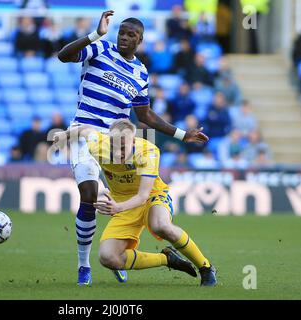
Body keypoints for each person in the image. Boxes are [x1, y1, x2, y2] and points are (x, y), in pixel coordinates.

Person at [57, 10, 209, 286]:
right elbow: (63, 56)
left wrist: (182, 134)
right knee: (90, 193)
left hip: (118, 140)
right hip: (86, 133)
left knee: (129, 192)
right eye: (122, 33)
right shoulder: (101, 48)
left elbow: (146, 116)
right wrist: (95, 34)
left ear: (140, 41)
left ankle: (122, 250)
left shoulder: (140, 72)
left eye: (131, 35)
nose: (124, 38)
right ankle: (83, 266)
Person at [53, 119, 216, 286]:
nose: (119, 153)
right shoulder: (97, 145)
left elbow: (143, 195)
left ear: (134, 141)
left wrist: (117, 207)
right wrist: (64, 135)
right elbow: (85, 129)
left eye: (124, 147)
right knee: (108, 258)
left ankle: (206, 267)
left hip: (152, 196)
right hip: (124, 205)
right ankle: (166, 259)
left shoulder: (148, 152)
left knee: (160, 225)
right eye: (115, 146)